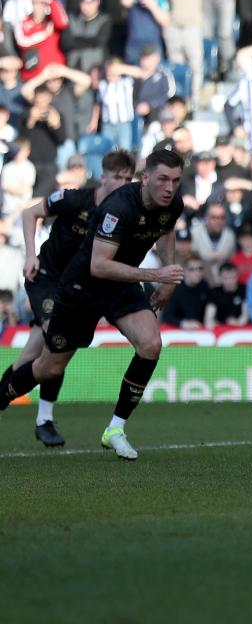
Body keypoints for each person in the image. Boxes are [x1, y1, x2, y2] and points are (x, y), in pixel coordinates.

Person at [0, 148, 186, 460]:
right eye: (163, 179)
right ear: (147, 178)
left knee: (151, 344)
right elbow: (99, 266)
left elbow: (166, 230)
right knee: (48, 367)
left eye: (176, 181)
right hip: (81, 288)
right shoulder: (118, 207)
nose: (169, 188)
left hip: (120, 285)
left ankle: (115, 428)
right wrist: (156, 273)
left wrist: (166, 282)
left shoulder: (172, 204)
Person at [0, 149, 134, 446]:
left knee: (30, 357)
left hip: (76, 288)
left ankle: (8, 400)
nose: (123, 183)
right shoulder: (74, 199)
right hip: (46, 279)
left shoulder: (123, 213)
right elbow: (28, 213)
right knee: (57, 341)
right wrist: (30, 255)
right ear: (103, 177)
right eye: (118, 177)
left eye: (128, 178)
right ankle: (44, 419)